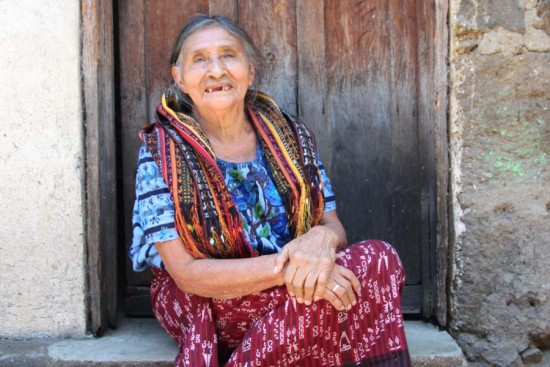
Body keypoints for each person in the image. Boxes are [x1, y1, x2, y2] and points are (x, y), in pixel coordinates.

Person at [130, 14, 411, 367]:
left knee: (379, 258)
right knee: (324, 293)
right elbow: (185, 273)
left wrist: (321, 243)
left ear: (250, 69)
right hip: (208, 298)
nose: (216, 70)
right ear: (180, 79)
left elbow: (333, 226)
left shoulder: (292, 137)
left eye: (228, 56)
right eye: (199, 59)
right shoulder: (161, 151)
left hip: (292, 287)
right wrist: (294, 268)